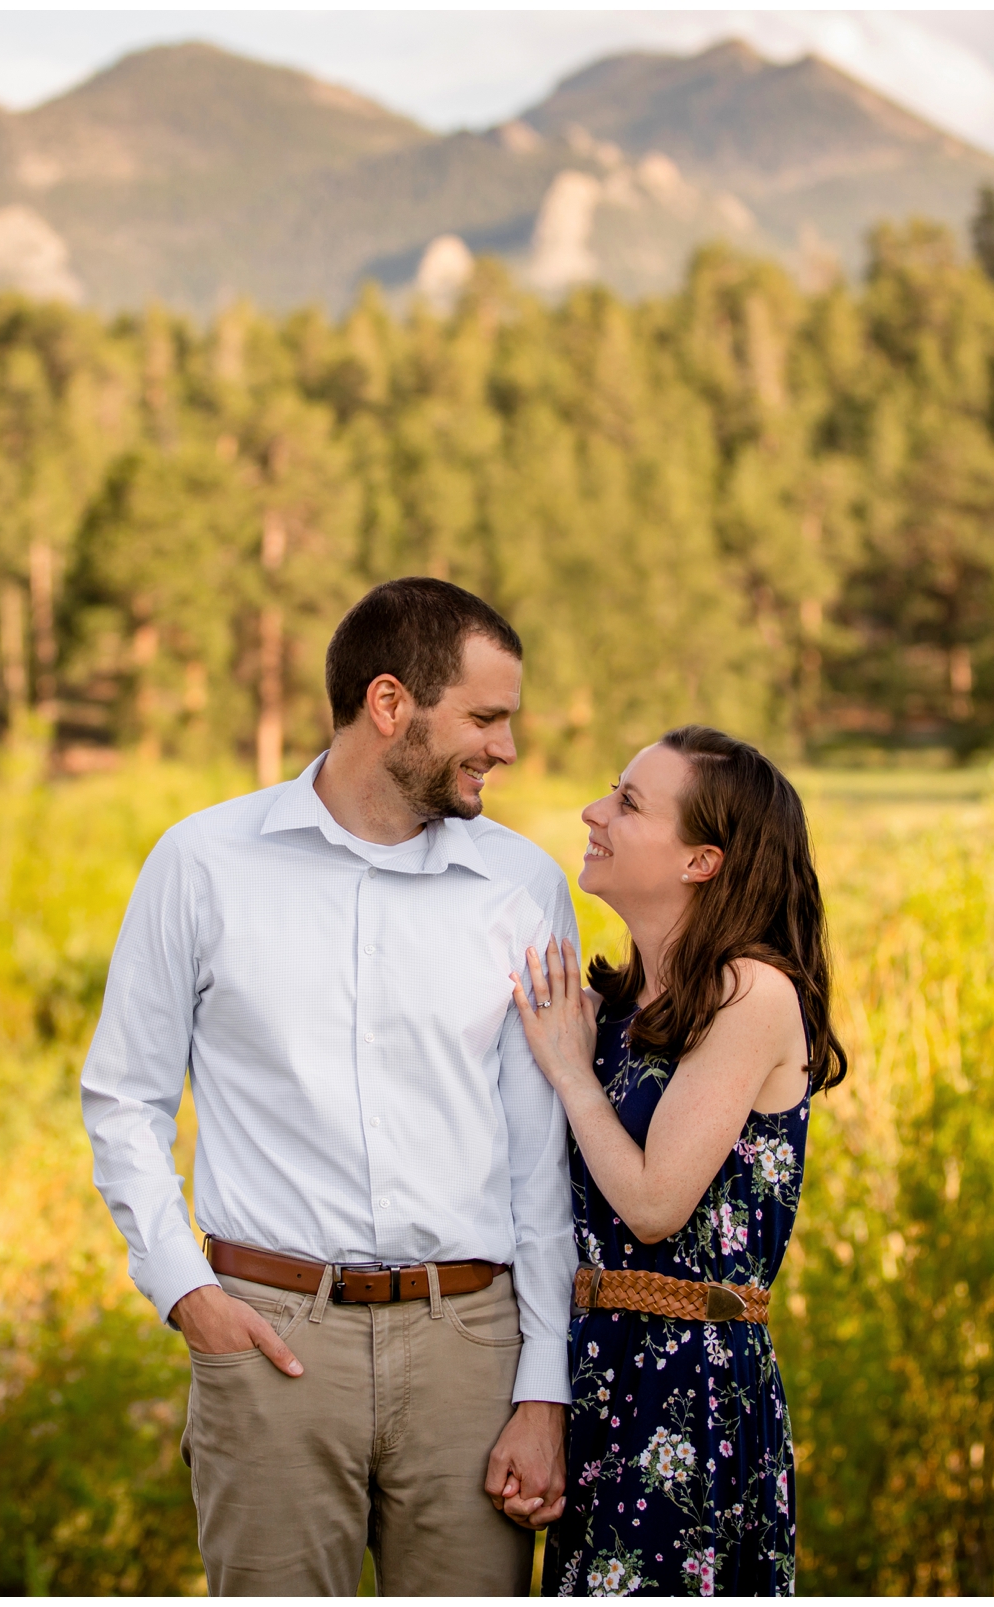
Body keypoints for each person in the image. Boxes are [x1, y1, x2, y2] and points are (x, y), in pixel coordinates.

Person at [80, 577, 578, 1596]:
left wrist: (544, 1386)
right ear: (390, 704)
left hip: (469, 1351)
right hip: (271, 1338)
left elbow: (541, 1160)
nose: (508, 748)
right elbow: (123, 1097)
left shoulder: (524, 887)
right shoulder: (202, 862)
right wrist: (185, 1291)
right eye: (485, 717)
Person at [509, 725, 846, 1597]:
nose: (594, 812)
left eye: (626, 802)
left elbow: (655, 1204)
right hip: (603, 1373)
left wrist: (570, 1075)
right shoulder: (613, 1011)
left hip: (693, 1394)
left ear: (702, 860)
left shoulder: (753, 993)